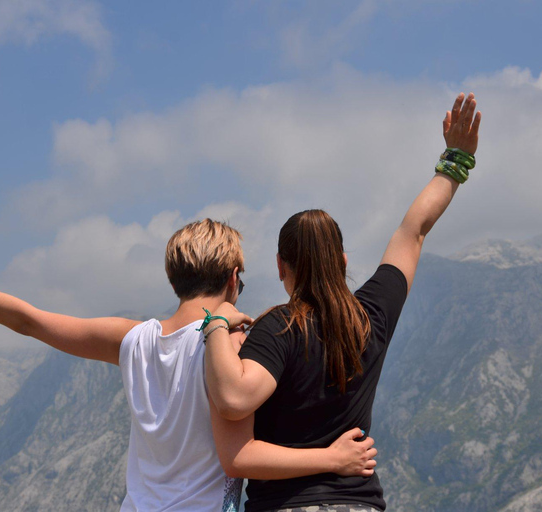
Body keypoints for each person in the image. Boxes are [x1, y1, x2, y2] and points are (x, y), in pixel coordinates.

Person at [0, 219, 377, 511]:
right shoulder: (238, 344)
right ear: (236, 279)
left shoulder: (132, 340)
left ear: (174, 277)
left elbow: (31, 322)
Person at [203, 92, 481, 511]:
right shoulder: (372, 315)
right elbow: (414, 230)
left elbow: (234, 400)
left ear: (281, 266)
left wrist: (216, 326)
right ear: (343, 260)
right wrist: (456, 159)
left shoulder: (276, 330)